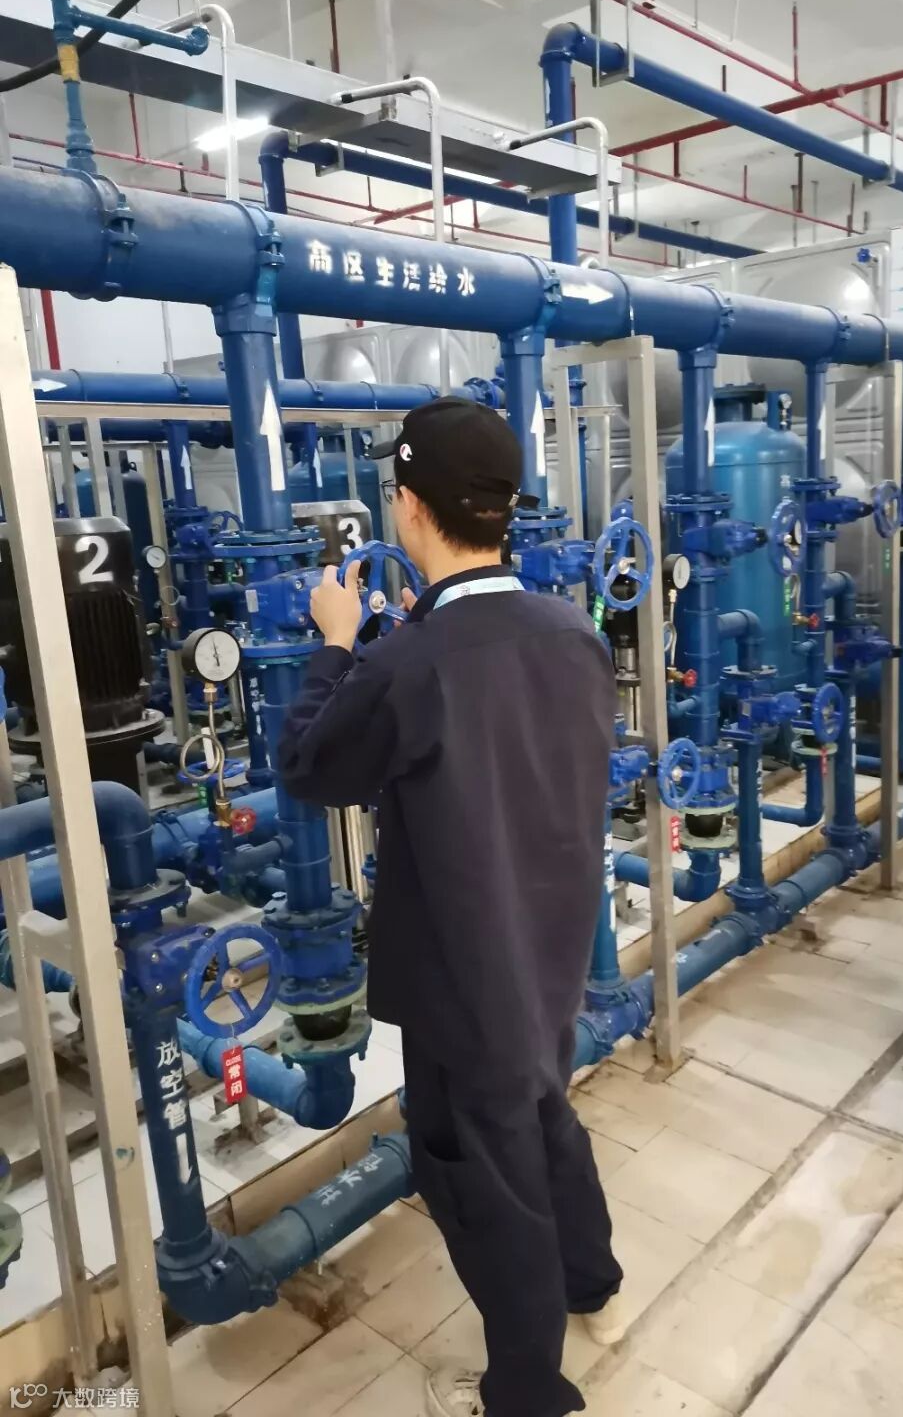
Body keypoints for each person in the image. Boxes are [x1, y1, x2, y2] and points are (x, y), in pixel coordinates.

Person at [278, 397, 625, 1417]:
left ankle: (528, 1388)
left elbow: (312, 766)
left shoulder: (408, 660)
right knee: (542, 1108)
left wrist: (337, 644)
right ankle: (591, 1277)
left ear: (410, 505)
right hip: (550, 946)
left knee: (483, 1172)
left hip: (463, 970)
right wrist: (400, 641)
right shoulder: (572, 630)